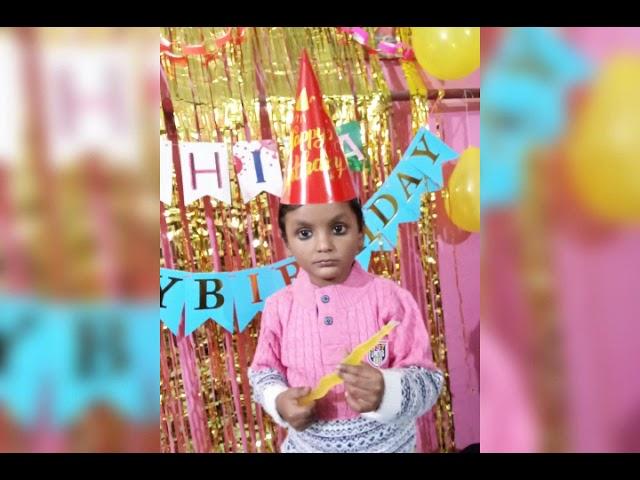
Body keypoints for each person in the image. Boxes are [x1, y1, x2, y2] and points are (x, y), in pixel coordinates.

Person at [248, 50, 443, 453]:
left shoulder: (390, 299)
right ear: (285, 241)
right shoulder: (280, 307)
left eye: (338, 229)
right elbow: (263, 372)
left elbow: (429, 382)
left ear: (360, 234)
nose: (323, 245)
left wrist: (387, 389)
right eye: (304, 233)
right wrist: (280, 402)